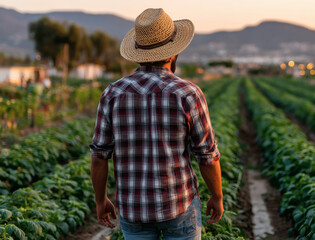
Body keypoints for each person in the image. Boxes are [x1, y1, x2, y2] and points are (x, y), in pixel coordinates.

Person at [90, 8, 223, 240]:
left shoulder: (112, 93)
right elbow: (207, 156)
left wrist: (101, 200)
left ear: (137, 52)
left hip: (133, 209)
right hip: (179, 204)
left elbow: (99, 156)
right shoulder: (188, 93)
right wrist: (217, 196)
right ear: (172, 53)